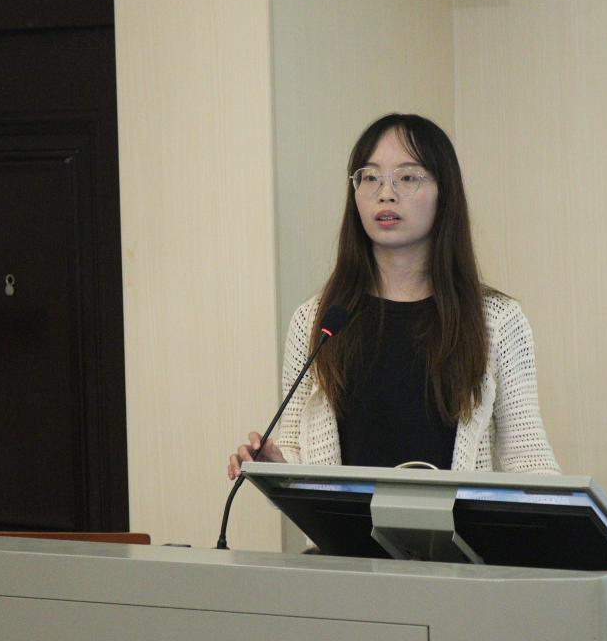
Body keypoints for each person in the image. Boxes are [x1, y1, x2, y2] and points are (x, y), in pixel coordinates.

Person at [228, 113, 559, 479]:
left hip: (456, 520)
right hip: (344, 521)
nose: (385, 193)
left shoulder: (495, 321)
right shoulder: (317, 320)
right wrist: (274, 468)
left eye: (407, 177)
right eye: (370, 177)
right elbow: (296, 449)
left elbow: (529, 460)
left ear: (445, 192)